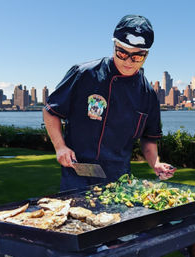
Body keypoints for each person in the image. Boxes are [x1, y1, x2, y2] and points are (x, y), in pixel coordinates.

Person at [43, 15, 176, 191]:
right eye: (122, 53)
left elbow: (149, 139)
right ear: (114, 45)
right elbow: (51, 111)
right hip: (78, 175)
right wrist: (60, 147)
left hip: (119, 179)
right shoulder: (84, 74)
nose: (128, 61)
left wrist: (156, 164)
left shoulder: (148, 94)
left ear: (146, 55)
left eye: (137, 57)